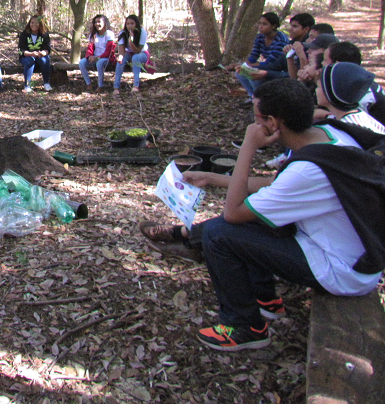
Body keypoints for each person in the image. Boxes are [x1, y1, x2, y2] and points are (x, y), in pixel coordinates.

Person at [139, 79, 384, 351]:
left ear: (273, 123)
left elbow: (232, 213)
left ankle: (245, 327)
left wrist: (248, 147)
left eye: (256, 118)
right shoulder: (327, 135)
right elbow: (276, 185)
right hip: (346, 252)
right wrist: (211, 177)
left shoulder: (307, 171)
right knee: (255, 216)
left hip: (342, 270)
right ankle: (265, 299)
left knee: (220, 235)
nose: (252, 125)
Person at [231, 12, 288, 99]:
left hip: (278, 70)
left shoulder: (280, 40)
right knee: (240, 72)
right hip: (267, 66)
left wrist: (251, 66)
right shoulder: (260, 37)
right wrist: (244, 65)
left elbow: (272, 62)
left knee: (254, 75)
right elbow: (254, 55)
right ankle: (252, 96)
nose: (260, 26)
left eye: (264, 24)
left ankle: (260, 98)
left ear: (273, 26)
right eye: (260, 23)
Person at [316, 62, 385, 133]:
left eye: (318, 86)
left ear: (330, 92)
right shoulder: (359, 116)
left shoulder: (345, 129)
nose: (316, 90)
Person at [112, 14, 150, 94]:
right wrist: (120, 57)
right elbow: (121, 50)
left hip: (141, 54)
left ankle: (136, 85)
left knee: (135, 58)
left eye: (132, 23)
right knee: (120, 62)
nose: (130, 26)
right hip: (128, 53)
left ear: (136, 24)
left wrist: (130, 41)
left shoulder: (142, 32)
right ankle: (116, 87)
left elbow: (138, 51)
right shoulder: (123, 33)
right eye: (128, 24)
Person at [78, 15, 116, 93]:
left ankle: (100, 86)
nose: (97, 24)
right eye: (95, 22)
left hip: (106, 58)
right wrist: (89, 56)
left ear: (105, 23)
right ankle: (88, 84)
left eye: (99, 22)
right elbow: (90, 48)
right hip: (95, 57)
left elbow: (109, 51)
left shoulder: (109, 34)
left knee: (99, 63)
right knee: (82, 62)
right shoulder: (93, 35)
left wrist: (98, 57)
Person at [18, 15, 52, 93]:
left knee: (45, 60)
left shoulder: (44, 35)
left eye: (37, 23)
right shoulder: (24, 34)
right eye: (32, 23)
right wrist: (31, 54)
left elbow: (47, 48)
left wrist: (43, 53)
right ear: (29, 23)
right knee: (29, 61)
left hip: (40, 56)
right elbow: (21, 50)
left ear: (40, 24)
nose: (34, 25)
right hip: (27, 57)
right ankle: (27, 85)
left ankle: (46, 83)